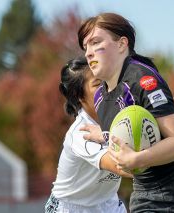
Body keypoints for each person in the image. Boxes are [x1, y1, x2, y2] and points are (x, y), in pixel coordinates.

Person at [78, 13, 174, 212]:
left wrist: (137, 160)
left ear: (122, 44)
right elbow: (132, 133)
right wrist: (104, 135)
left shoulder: (143, 79)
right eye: (85, 47)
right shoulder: (99, 98)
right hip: (146, 194)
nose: (89, 53)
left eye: (95, 42)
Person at [45, 57, 131, 213]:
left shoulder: (121, 115)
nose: (107, 88)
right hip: (71, 208)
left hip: (109, 203)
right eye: (98, 84)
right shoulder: (81, 133)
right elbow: (123, 166)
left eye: (107, 80)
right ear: (80, 96)